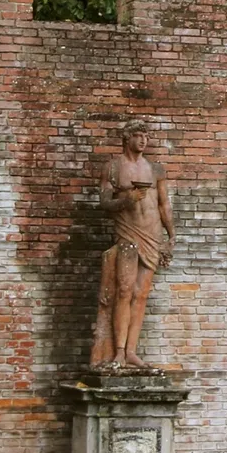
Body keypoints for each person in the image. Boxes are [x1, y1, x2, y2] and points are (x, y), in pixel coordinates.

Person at [90, 120, 174, 368]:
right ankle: (118, 351)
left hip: (152, 235)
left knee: (141, 294)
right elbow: (104, 203)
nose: (143, 140)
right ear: (127, 138)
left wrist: (172, 235)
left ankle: (131, 351)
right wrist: (127, 199)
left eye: (145, 135)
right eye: (138, 135)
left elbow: (164, 204)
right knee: (123, 291)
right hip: (127, 233)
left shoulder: (156, 169)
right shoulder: (113, 168)